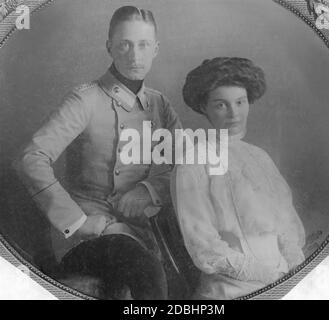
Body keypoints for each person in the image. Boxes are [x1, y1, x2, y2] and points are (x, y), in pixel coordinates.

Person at [14, 6, 182, 299]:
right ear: (109, 47)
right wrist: (77, 221)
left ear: (156, 49)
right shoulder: (86, 99)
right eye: (124, 44)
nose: (134, 55)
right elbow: (31, 158)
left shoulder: (160, 104)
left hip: (141, 230)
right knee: (143, 266)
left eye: (143, 45)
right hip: (87, 234)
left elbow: (187, 163)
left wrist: (149, 189)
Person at [171, 57, 306, 299]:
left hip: (283, 281)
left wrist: (294, 268)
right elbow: (205, 248)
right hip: (230, 291)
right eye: (221, 105)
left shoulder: (259, 156)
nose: (234, 114)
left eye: (240, 102)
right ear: (204, 107)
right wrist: (270, 277)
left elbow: (287, 224)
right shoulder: (193, 161)